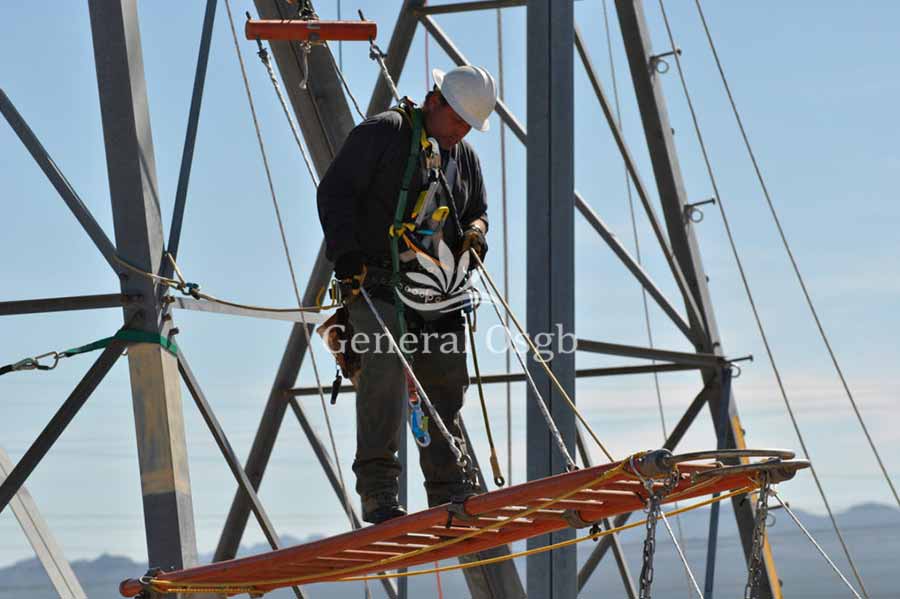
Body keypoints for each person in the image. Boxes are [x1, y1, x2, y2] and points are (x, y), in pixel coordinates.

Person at [317, 65, 497, 524]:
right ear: (433, 100)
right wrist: (347, 256)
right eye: (457, 120)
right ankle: (379, 493)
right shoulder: (385, 134)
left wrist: (475, 234)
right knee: (384, 376)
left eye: (467, 126)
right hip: (380, 283)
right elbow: (335, 192)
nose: (460, 132)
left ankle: (449, 490)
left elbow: (477, 211)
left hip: (439, 293)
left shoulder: (464, 159)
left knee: (446, 385)